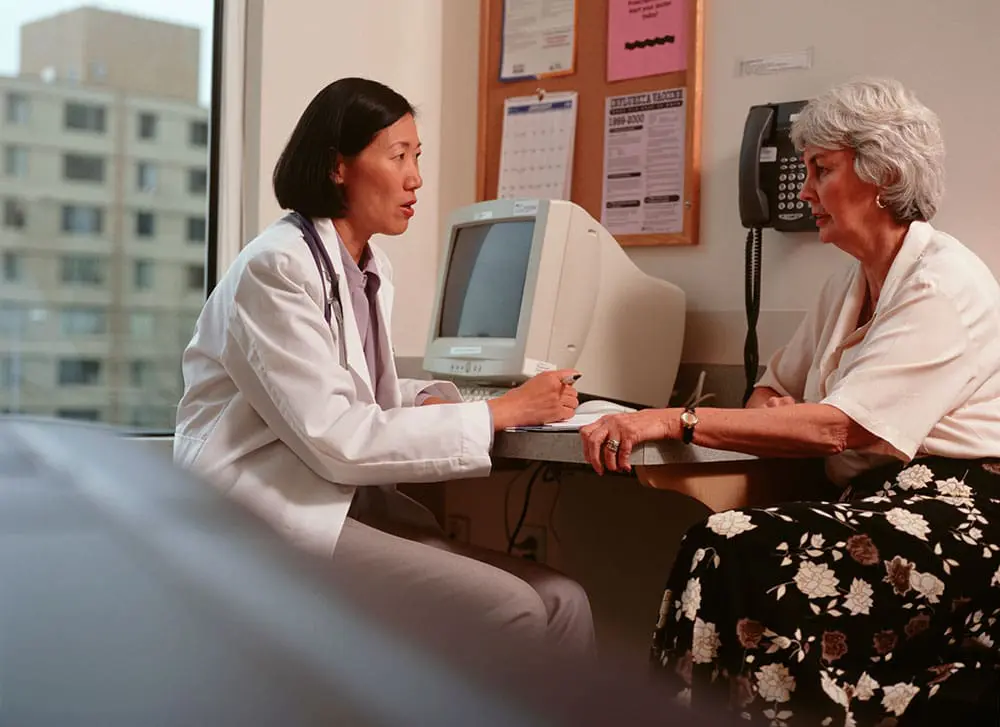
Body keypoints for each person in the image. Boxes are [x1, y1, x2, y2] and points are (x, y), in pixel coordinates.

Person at [580, 77, 1000, 724]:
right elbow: (773, 388)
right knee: (718, 548)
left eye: (821, 170)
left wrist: (672, 419)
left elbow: (839, 427)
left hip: (955, 520)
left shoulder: (943, 284)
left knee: (728, 548)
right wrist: (774, 407)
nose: (804, 192)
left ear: (883, 174)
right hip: (874, 507)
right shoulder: (847, 287)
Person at [174, 77, 595, 655]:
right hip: (270, 514)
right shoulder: (275, 269)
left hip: (338, 502)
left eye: (416, 156)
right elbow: (336, 436)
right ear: (337, 166)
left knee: (564, 599)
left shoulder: (368, 268)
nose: (415, 177)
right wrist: (501, 411)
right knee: (513, 607)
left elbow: (351, 387)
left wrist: (425, 399)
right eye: (398, 156)